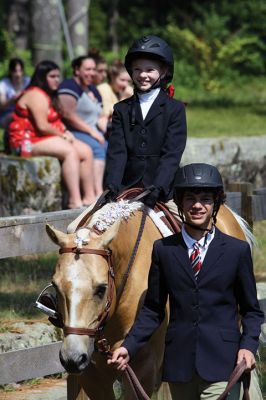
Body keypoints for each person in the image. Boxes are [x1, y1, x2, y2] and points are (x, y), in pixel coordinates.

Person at [108, 163, 264, 400]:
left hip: (223, 365)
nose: (198, 205)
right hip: (180, 368)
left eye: (205, 199)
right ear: (180, 204)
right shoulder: (163, 250)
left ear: (215, 204)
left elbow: (252, 311)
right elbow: (153, 309)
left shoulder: (237, 250)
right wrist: (128, 347)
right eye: (190, 198)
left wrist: (248, 347)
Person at [103, 35, 187, 208]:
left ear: (163, 72)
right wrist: (112, 186)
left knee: (183, 226)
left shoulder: (175, 109)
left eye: (150, 70)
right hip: (126, 189)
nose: (143, 75)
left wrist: (158, 187)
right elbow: (117, 152)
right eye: (137, 70)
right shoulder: (121, 109)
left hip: (162, 191)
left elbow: (172, 154)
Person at [8, 60, 95, 209]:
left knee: (86, 151)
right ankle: (75, 201)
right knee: (70, 151)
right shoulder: (35, 94)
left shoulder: (48, 94)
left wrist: (64, 131)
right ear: (42, 77)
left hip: (42, 137)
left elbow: (54, 121)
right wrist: (62, 135)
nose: (57, 80)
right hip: (25, 141)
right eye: (52, 76)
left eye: (58, 76)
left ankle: (90, 198)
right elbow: (42, 126)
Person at [58, 56, 108, 198]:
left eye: (93, 69)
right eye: (87, 69)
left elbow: (99, 114)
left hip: (94, 132)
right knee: (98, 148)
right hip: (74, 131)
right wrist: (92, 132)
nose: (92, 73)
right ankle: (95, 193)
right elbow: (67, 115)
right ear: (77, 70)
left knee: (113, 146)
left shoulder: (93, 89)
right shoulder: (69, 86)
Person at [0, 57, 30, 129]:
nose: (18, 74)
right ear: (11, 72)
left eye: (20, 71)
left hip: (25, 112)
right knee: (14, 117)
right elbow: (1, 106)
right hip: (7, 113)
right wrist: (12, 100)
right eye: (15, 71)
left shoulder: (27, 81)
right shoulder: (4, 84)